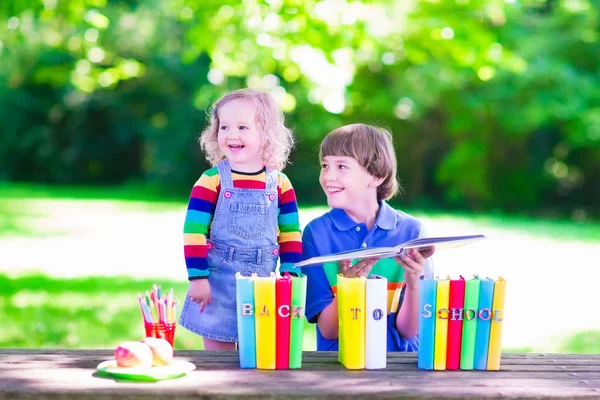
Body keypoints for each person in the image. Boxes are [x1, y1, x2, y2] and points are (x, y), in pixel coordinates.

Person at [179, 89, 302, 350]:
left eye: (243, 127)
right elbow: (193, 233)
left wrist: (291, 275)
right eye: (224, 127)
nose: (232, 135)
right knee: (218, 363)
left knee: (259, 359)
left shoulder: (280, 183)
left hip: (264, 288)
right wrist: (197, 278)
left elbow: (290, 234)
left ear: (266, 134)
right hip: (216, 286)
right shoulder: (210, 180)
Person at [300, 123, 435, 351]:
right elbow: (329, 331)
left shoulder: (411, 232)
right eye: (325, 165)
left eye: (342, 166)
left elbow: (409, 331)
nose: (328, 176)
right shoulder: (316, 234)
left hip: (400, 366)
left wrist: (414, 283)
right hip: (338, 366)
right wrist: (347, 287)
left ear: (376, 176)